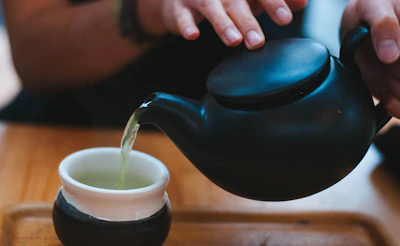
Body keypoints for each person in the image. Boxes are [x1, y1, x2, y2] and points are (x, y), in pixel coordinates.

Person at [1, 0, 400, 127]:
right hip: (69, 129)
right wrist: (147, 11)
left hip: (262, 140)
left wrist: (366, 32)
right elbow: (34, 56)